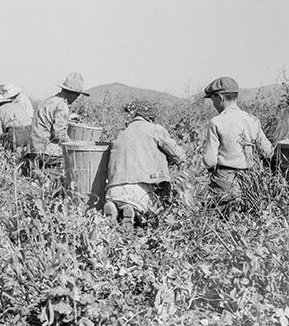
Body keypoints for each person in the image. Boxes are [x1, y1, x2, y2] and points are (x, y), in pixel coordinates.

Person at [103, 100, 185, 229]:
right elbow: (176, 153)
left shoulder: (121, 133)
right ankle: (133, 211)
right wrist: (181, 162)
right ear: (150, 117)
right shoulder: (155, 129)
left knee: (118, 203)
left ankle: (114, 206)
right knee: (147, 210)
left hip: (114, 186)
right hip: (140, 187)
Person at [200, 75, 272, 201]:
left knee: (223, 218)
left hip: (225, 182)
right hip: (250, 181)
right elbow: (268, 152)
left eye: (213, 100)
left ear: (220, 97)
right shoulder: (252, 120)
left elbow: (209, 161)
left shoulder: (217, 122)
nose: (214, 105)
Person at [26, 72, 89, 169]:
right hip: (45, 152)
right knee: (75, 165)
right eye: (77, 96)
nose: (76, 99)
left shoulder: (48, 100)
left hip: (33, 148)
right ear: (73, 94)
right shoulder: (62, 106)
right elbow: (59, 134)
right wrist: (73, 146)